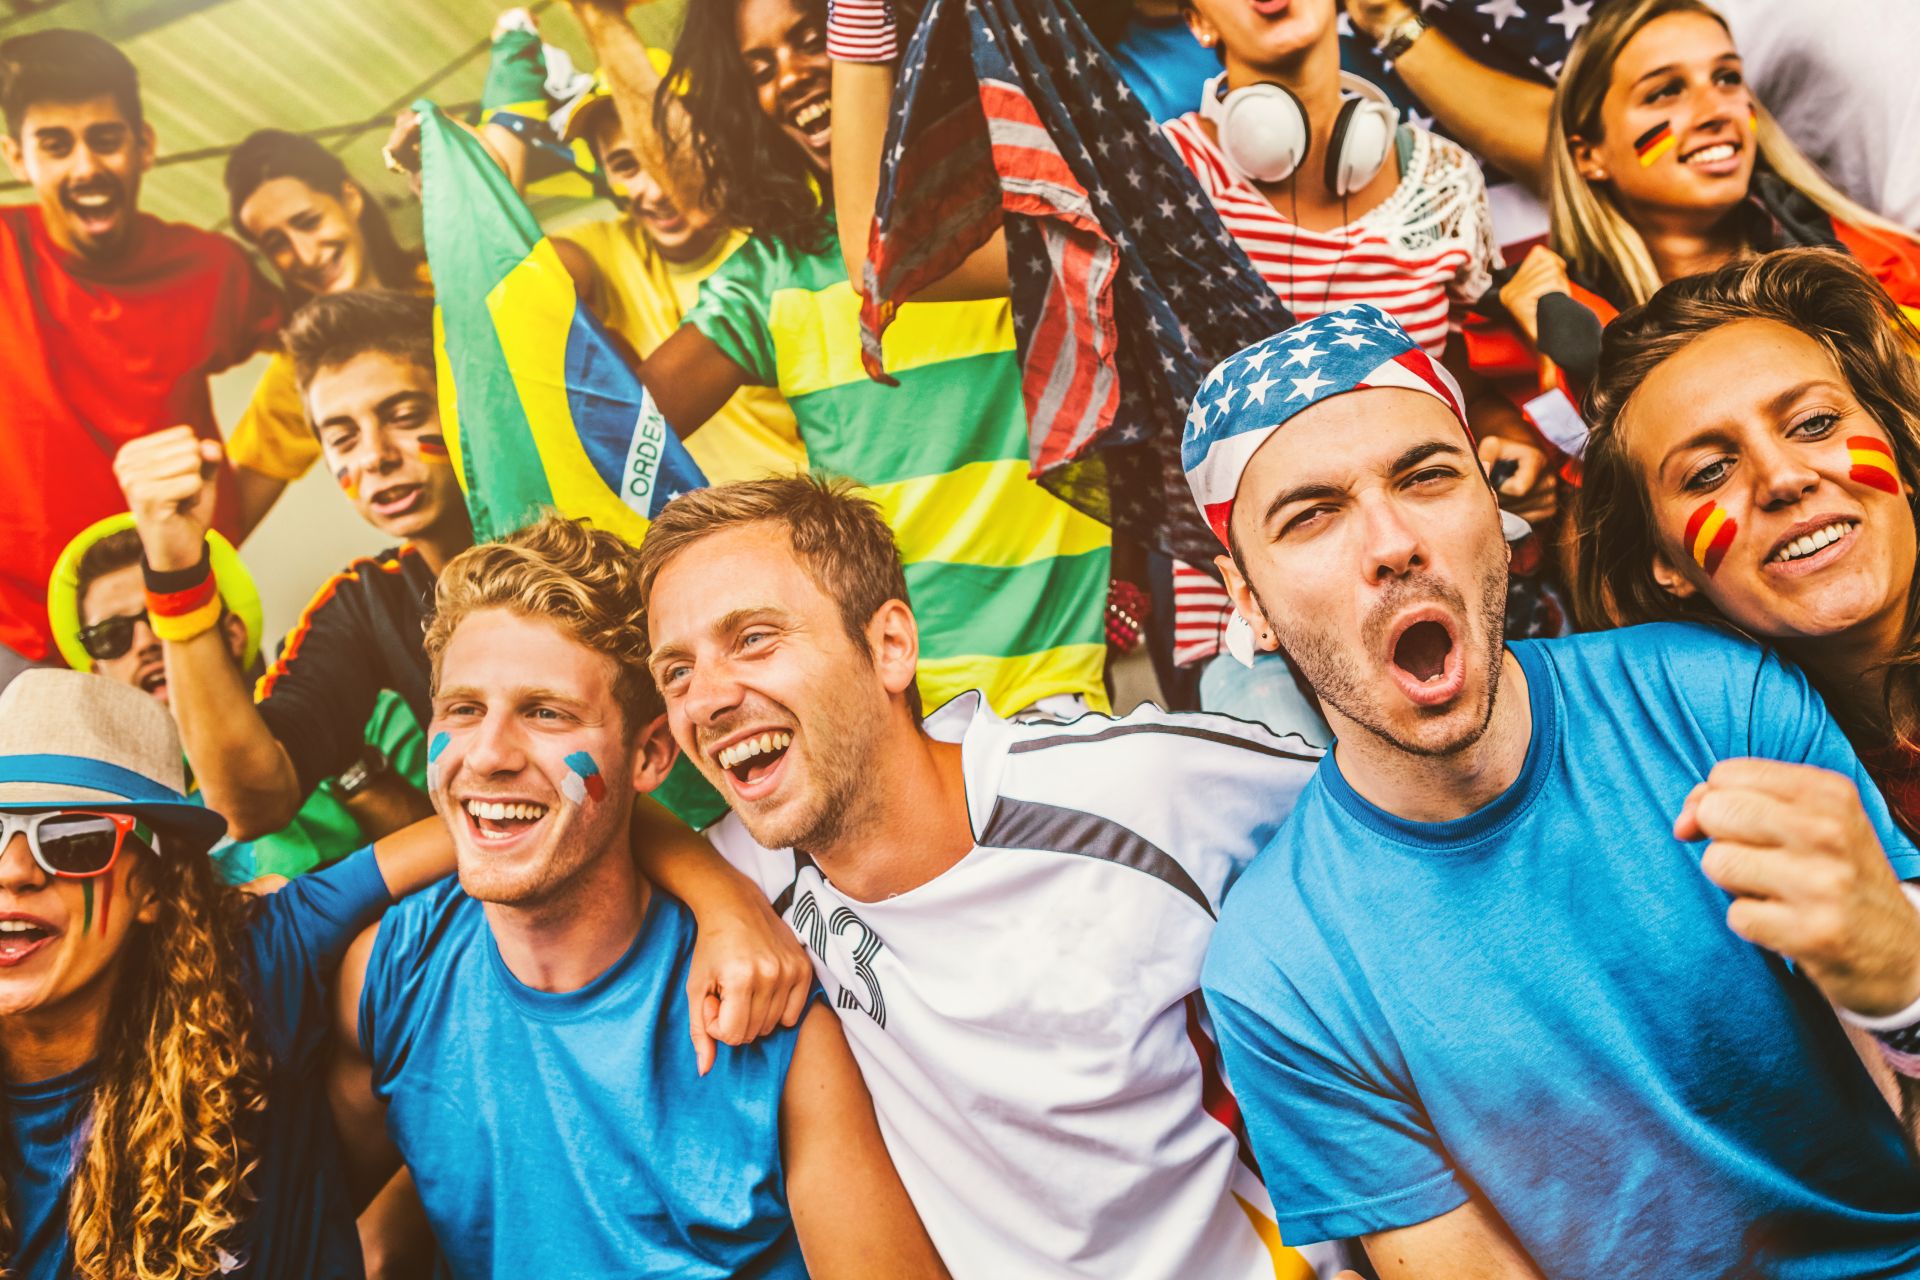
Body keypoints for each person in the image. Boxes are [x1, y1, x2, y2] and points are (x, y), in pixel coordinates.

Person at [1184, 304, 1920, 1276]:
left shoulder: (1714, 698)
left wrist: (1904, 988)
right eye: (1313, 513)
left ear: (1498, 511)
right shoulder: (1278, 966)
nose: (1394, 541)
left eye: (1427, 475)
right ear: (1247, 601)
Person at [638, 475, 1335, 1279]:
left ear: (891, 646)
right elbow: (587, 819)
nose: (709, 699)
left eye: (755, 638)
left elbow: (1400, 811)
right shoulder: (759, 857)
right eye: (677, 672)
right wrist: (722, 904)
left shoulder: (1137, 792)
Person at [329, 514, 947, 1278]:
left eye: (545, 713)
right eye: (462, 710)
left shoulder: (763, 1011)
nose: (487, 755)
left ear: (651, 754)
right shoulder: (389, 978)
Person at [559, 0, 1112, 721]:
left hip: (1048, 708)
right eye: (758, 68)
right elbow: (615, 430)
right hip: (874, 717)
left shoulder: (1019, 206)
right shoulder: (772, 272)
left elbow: (879, 258)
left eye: (812, 40)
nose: (788, 77)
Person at [1161, 0, 1553, 731]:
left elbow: (1459, 379)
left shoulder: (1444, 177)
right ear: (1198, 22)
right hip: (1258, 647)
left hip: (1434, 594)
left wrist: (1513, 443)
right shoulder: (1156, 177)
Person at [0, 667, 457, 1278]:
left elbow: (486, 830)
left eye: (73, 839)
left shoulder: (253, 966)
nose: (13, 871)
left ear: (152, 889)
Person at [1573, 248, 1920, 831]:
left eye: (1814, 423)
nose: (1783, 478)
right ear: (1665, 563)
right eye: (1710, 471)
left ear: (1903, 456)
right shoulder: (1687, 800)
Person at [0, 30, 281, 686]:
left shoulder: (212, 269)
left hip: (186, 607)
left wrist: (248, 485)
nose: (84, 168)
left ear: (143, 145)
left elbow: (320, 351)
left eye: (104, 138)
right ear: (17, 156)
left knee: (238, 787)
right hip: (17, 633)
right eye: (54, 144)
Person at [1499, 0, 1920, 352]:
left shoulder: (1890, 269)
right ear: (1589, 155)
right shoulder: (1540, 318)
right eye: (1664, 91)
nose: (1717, 110)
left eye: (1727, 78)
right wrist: (1576, 368)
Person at [47, 515, 432, 885]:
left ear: (232, 635)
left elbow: (462, 856)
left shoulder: (373, 714)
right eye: (110, 635)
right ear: (97, 677)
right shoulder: (107, 817)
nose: (146, 643)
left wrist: (343, 758)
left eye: (164, 618)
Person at [219, 129, 435, 529]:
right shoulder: (300, 369)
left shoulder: (445, 280)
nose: (305, 254)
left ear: (350, 198)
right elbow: (226, 518)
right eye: (276, 243)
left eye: (308, 221)